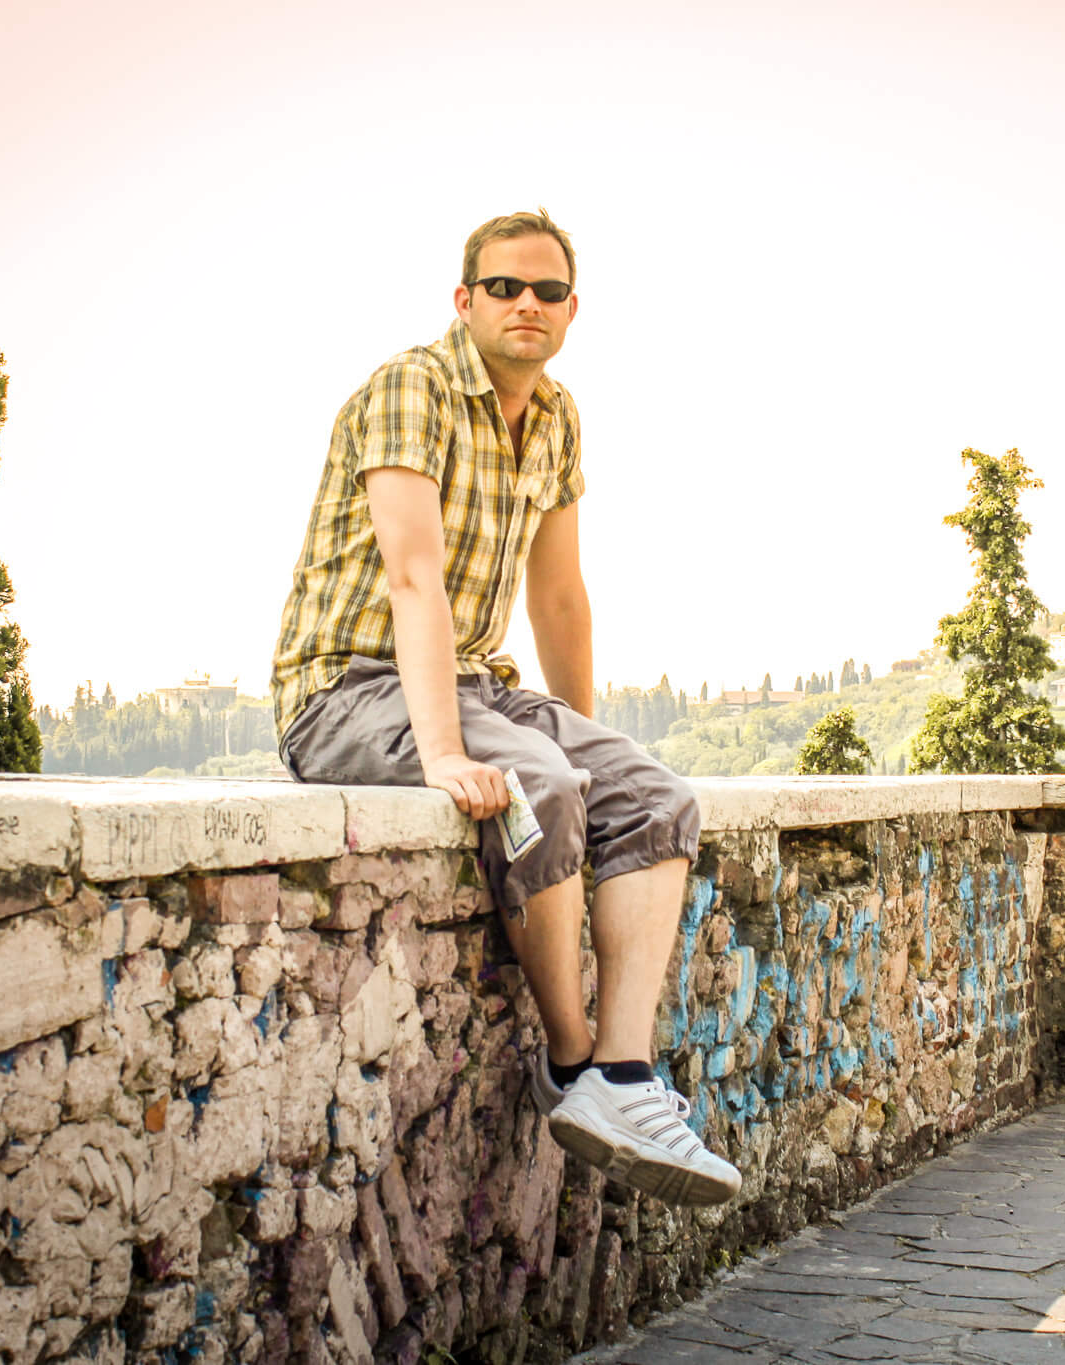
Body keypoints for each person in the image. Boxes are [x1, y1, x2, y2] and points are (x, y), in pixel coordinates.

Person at [271, 209, 738, 1206]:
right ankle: (572, 1071)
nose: (526, 304)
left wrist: (588, 736)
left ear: (572, 311)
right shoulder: (414, 387)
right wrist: (442, 754)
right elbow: (411, 574)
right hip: (347, 691)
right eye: (503, 288)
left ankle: (621, 1074)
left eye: (547, 291)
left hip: (477, 681)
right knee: (541, 787)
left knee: (655, 800)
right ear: (463, 300)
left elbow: (558, 595)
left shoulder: (558, 415)